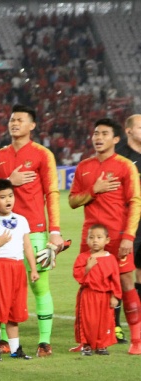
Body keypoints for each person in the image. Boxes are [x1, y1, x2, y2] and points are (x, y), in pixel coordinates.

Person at [0, 105, 63, 357]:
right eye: (11, 119)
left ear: (32, 125)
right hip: (5, 232)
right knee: (7, 289)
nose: (14, 123)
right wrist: (10, 181)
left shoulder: (42, 154)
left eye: (20, 119)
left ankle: (44, 341)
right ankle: (7, 342)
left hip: (36, 231)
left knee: (40, 286)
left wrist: (55, 231)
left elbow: (52, 193)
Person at [68, 117, 141, 354]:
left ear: (116, 139)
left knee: (126, 283)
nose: (98, 138)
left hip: (118, 237)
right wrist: (93, 191)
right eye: (95, 133)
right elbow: (72, 201)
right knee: (88, 286)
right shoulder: (84, 167)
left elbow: (135, 202)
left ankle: (137, 340)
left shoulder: (125, 166)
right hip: (91, 239)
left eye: (104, 134)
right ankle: (89, 339)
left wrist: (129, 237)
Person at [0, 179, 40, 362]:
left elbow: (27, 246)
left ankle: (15, 350)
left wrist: (33, 269)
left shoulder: (21, 220)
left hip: (17, 267)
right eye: (2, 197)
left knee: (15, 312)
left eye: (10, 196)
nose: (8, 200)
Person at [73, 224, 122, 355]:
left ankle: (102, 345)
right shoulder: (83, 257)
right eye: (91, 237)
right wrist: (87, 268)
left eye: (99, 237)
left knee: (105, 321)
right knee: (88, 321)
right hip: (88, 295)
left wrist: (115, 296)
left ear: (107, 240)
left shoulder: (111, 259)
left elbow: (115, 279)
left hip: (105, 296)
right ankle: (87, 344)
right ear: (87, 240)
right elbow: (78, 275)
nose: (95, 240)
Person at [114, 114, 141, 342]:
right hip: (125, 223)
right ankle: (114, 326)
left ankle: (138, 324)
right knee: (120, 274)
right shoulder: (120, 156)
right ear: (129, 130)